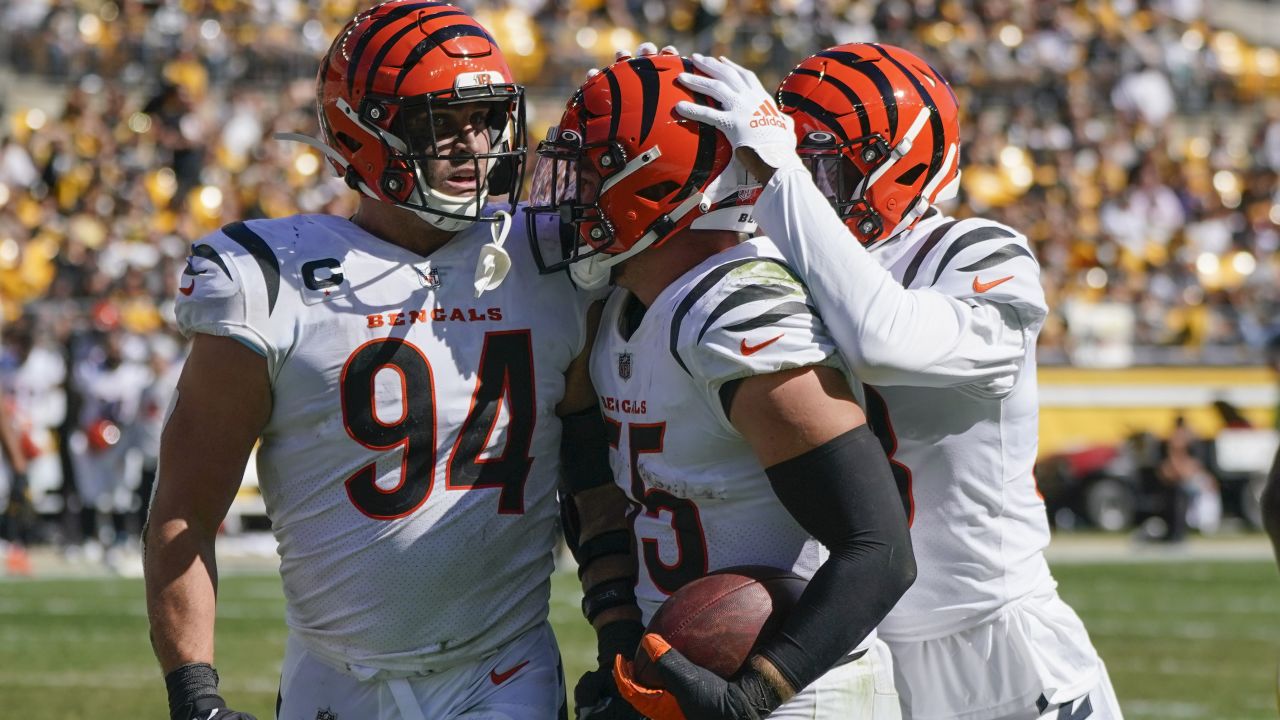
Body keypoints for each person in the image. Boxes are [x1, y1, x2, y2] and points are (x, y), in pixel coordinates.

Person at [144, 3, 605, 719]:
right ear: (364, 132)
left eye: (485, 119)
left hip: (504, 672)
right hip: (335, 678)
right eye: (441, 124)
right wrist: (195, 696)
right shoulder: (268, 277)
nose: (473, 145)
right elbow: (184, 508)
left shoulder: (548, 260)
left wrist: (623, 632)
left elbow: (593, 481)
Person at [668, 47, 1123, 720]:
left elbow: (885, 338)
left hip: (1000, 642)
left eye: (825, 163)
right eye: (800, 160)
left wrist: (782, 170)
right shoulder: (794, 258)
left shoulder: (979, 252)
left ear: (901, 160)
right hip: (864, 639)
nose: (812, 185)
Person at [528, 52, 915, 720]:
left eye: (591, 172)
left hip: (796, 688)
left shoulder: (739, 308)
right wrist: (624, 648)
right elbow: (599, 499)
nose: (571, 196)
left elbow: (878, 551)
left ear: (657, 182)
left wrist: (750, 698)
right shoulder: (618, 310)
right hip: (680, 672)